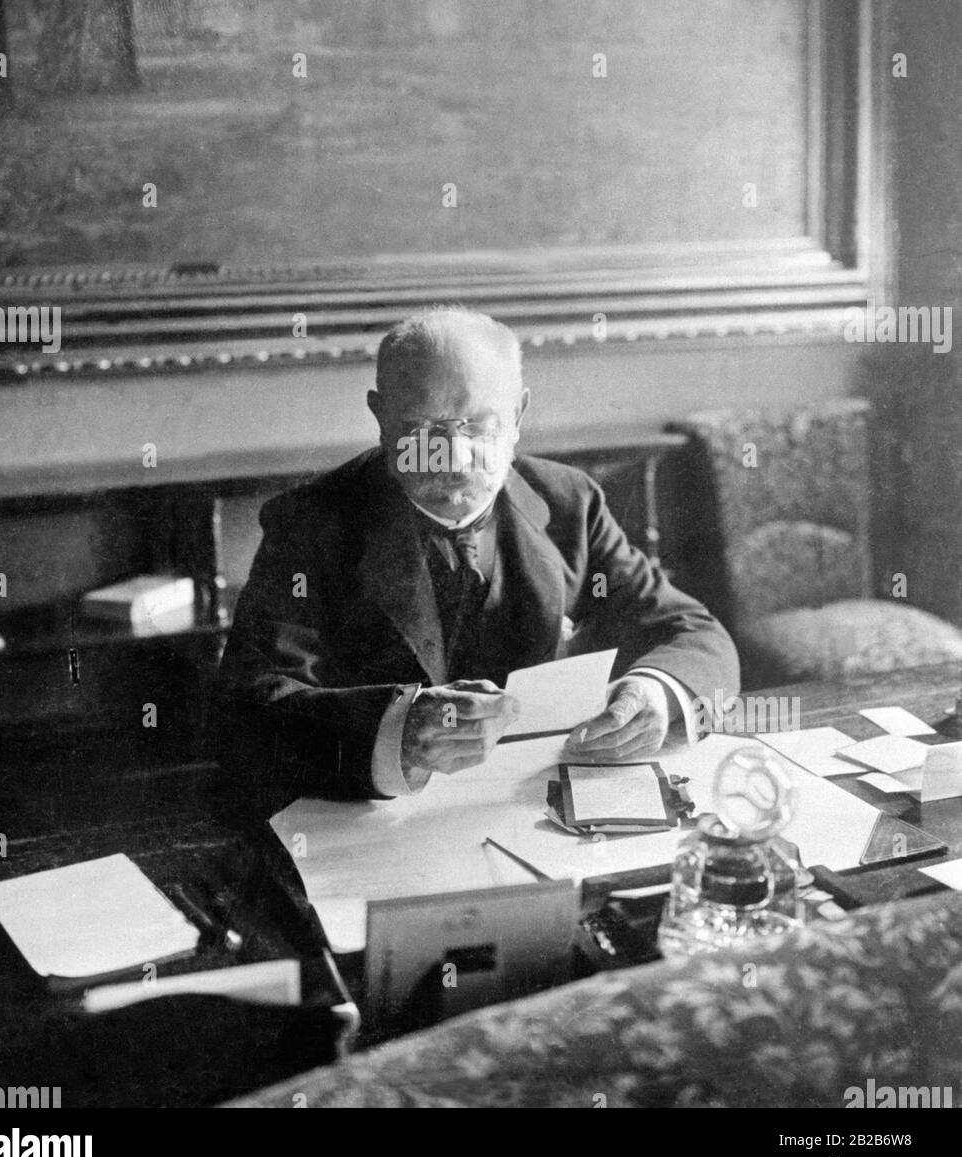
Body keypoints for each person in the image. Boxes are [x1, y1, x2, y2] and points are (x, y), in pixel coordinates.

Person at [217, 306, 739, 805]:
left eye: (479, 426)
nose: (454, 458)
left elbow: (692, 633)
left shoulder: (567, 502)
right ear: (380, 417)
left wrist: (656, 694)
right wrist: (399, 730)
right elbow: (250, 711)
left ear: (518, 416)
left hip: (532, 807)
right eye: (423, 429)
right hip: (372, 821)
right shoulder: (312, 524)